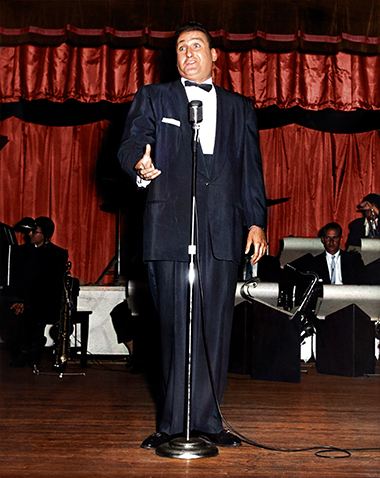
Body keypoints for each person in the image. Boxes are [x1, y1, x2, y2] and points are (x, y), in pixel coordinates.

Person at [118, 22, 267, 450]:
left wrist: (256, 222)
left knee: (215, 327)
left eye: (196, 45)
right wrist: (139, 166)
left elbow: (250, 171)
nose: (188, 52)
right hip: (169, 227)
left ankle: (209, 419)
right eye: (181, 47)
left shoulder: (240, 107)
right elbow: (131, 144)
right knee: (172, 326)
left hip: (222, 227)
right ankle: (170, 425)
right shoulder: (155, 97)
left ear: (215, 55)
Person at [5, 216, 68, 367]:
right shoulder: (21, 252)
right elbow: (19, 280)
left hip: (45, 301)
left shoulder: (57, 254)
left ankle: (31, 351)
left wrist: (25, 302)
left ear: (45, 235)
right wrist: (18, 300)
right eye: (30, 231)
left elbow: (48, 285)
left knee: (32, 314)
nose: (30, 235)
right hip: (25, 298)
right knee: (9, 314)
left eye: (35, 232)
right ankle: (23, 351)